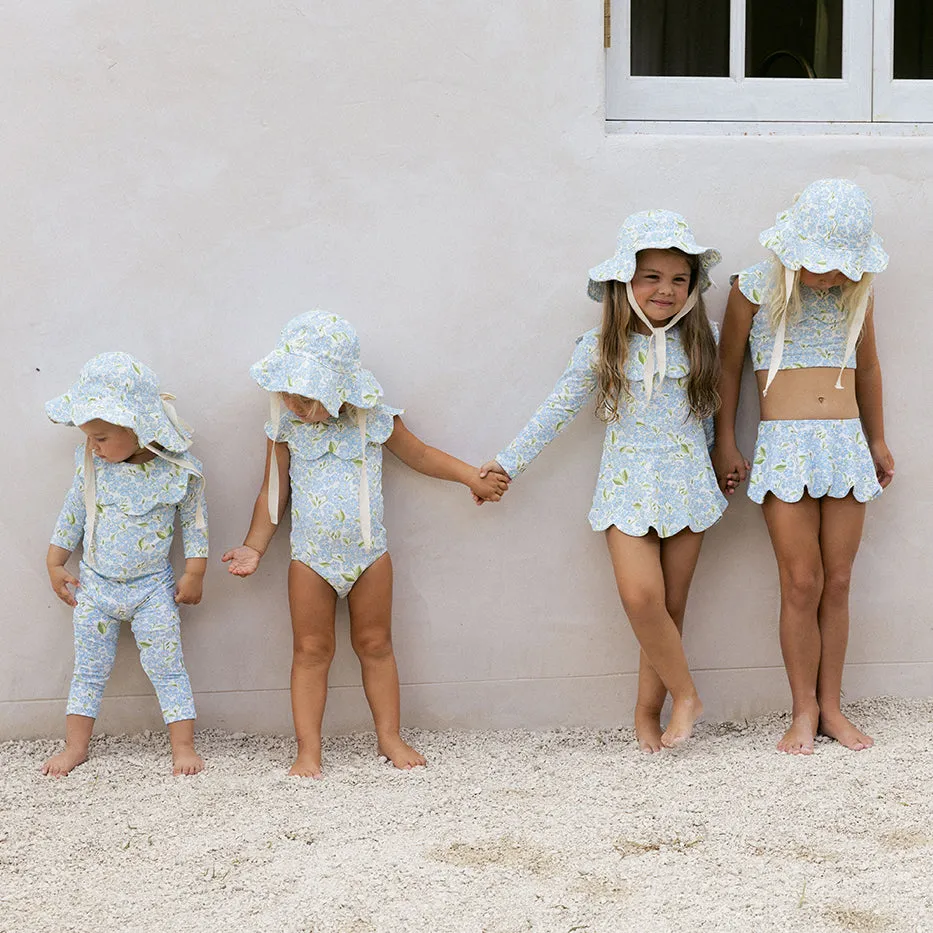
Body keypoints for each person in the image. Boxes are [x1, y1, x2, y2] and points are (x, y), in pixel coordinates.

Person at [480, 211, 730, 751]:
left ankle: (647, 712)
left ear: (692, 287)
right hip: (627, 485)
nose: (666, 290)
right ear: (624, 283)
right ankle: (687, 695)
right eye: (652, 277)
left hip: (688, 483)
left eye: (678, 279)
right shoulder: (600, 347)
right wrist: (507, 464)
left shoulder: (705, 340)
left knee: (670, 607)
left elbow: (709, 413)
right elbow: (554, 411)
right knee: (642, 598)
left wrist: (715, 462)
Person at [223, 311, 508, 777]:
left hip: (369, 555)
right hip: (310, 559)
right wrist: (254, 546)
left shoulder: (371, 418)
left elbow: (420, 455)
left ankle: (391, 737)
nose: (294, 401)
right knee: (310, 651)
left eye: (307, 394)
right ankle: (308, 749)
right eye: (288, 390)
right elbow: (273, 491)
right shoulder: (285, 426)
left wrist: (467, 476)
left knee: (376, 645)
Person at [713, 178, 894, 755]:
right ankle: (803, 709)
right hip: (784, 446)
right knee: (801, 580)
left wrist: (878, 440)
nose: (831, 275)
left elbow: (868, 369)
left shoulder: (856, 295)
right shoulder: (751, 288)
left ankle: (834, 708)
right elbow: (727, 372)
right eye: (821, 264)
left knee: (838, 580)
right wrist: (725, 441)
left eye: (842, 265)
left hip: (844, 444)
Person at [43, 353, 208, 776]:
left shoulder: (178, 474)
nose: (92, 446)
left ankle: (183, 746)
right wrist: (56, 561)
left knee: (167, 665)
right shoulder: (93, 468)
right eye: (90, 438)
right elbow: (73, 515)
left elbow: (195, 523)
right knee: (89, 669)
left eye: (100, 437)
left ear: (137, 428)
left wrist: (195, 572)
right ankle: (76, 746)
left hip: (152, 589)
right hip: (96, 586)